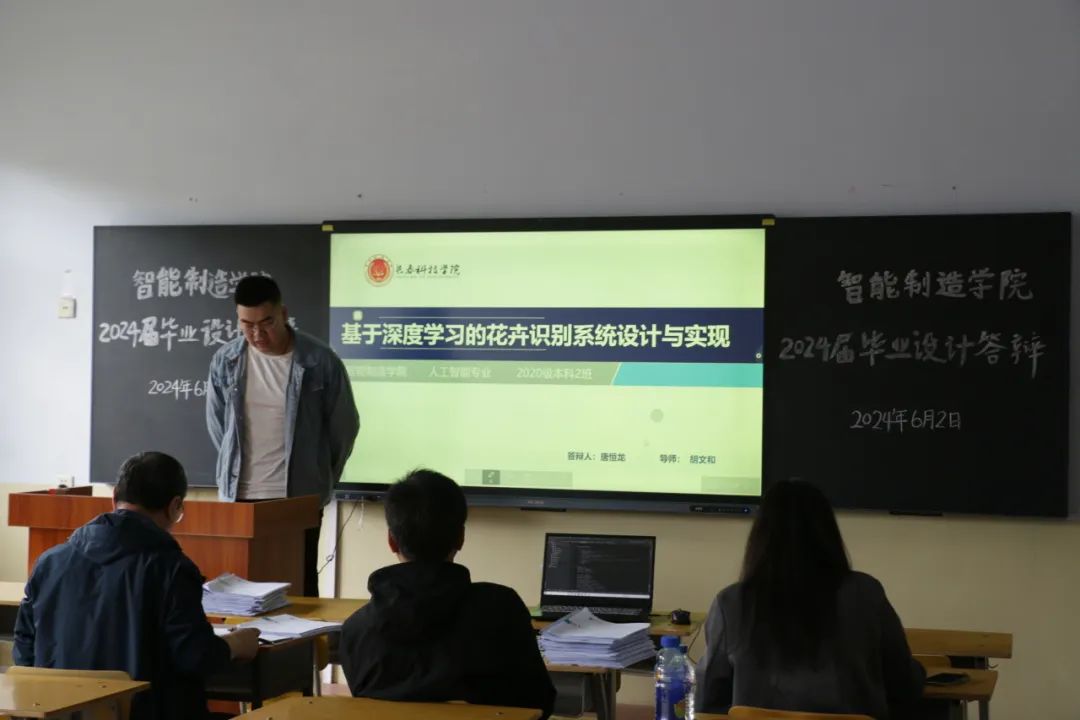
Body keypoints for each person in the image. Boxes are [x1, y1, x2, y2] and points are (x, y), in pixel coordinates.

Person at [13, 451, 261, 720]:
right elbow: (195, 657)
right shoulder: (172, 569)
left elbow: (24, 652)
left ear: (114, 497)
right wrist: (235, 644)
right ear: (175, 506)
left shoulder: (49, 563)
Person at [696, 480, 925, 719]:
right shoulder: (866, 593)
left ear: (760, 536)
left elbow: (707, 699)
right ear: (828, 532)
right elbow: (904, 685)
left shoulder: (731, 603)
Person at [340, 469, 555, 719]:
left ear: (392, 541)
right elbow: (540, 703)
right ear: (461, 538)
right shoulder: (502, 608)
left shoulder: (356, 630)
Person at [206, 274, 360, 596]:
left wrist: (318, 475)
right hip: (239, 495)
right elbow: (219, 426)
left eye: (267, 323)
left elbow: (343, 428)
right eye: (247, 325)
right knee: (239, 592)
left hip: (297, 496)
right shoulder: (226, 360)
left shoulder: (320, 361)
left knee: (299, 587)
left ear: (284, 314)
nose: (257, 334)